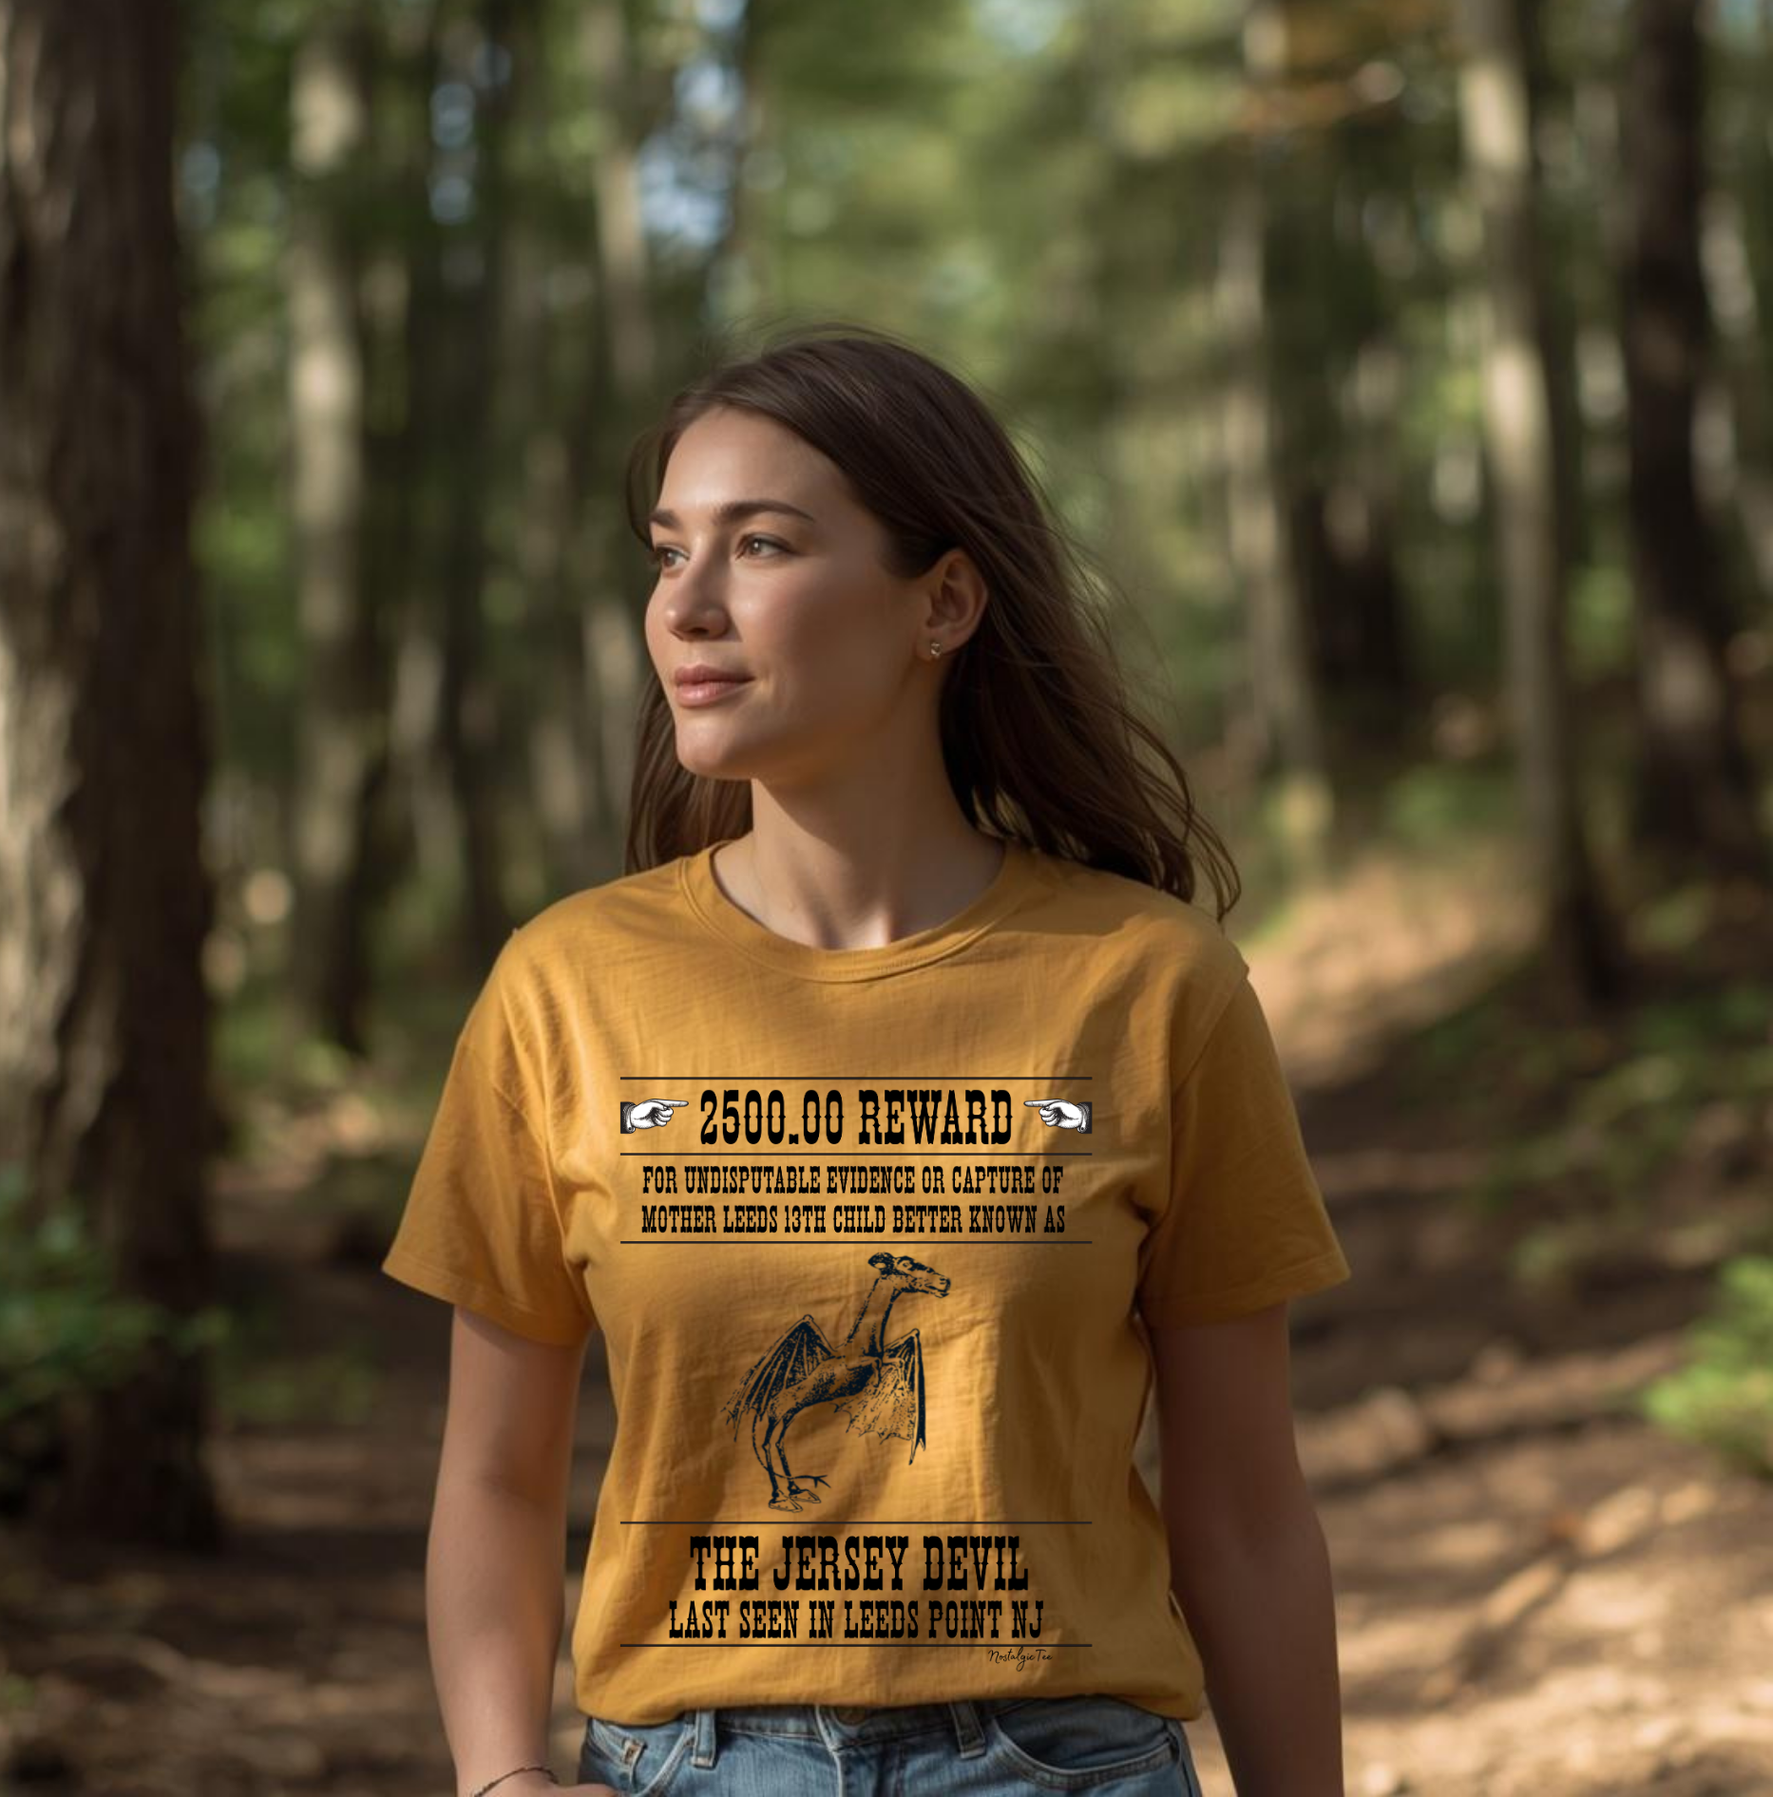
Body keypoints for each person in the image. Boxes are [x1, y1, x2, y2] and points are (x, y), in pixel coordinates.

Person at [381, 323, 1353, 1797]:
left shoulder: (1146, 984)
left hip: (1058, 1764)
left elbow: (1243, 1500)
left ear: (941, 601)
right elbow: (495, 1474)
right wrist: (500, 1777)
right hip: (684, 1766)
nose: (686, 608)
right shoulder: (565, 983)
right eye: (665, 554)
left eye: (759, 545)